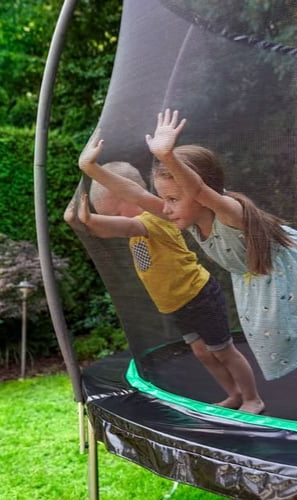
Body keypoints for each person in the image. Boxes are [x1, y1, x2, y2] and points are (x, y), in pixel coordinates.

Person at [144, 109, 297, 428]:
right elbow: (139, 197)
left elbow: (198, 190)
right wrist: (90, 168)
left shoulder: (228, 212)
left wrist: (168, 157)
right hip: (266, 279)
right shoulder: (191, 219)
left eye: (173, 198)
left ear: (202, 194)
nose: (166, 207)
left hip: (293, 267)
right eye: (165, 199)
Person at [66, 132, 265, 414]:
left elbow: (119, 226)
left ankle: (252, 397)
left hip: (199, 295)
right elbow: (103, 229)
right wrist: (81, 220)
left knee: (223, 351)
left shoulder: (154, 220)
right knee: (201, 352)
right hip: (177, 304)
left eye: (117, 213)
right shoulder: (135, 223)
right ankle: (233, 394)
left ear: (130, 202)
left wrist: (87, 218)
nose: (116, 221)